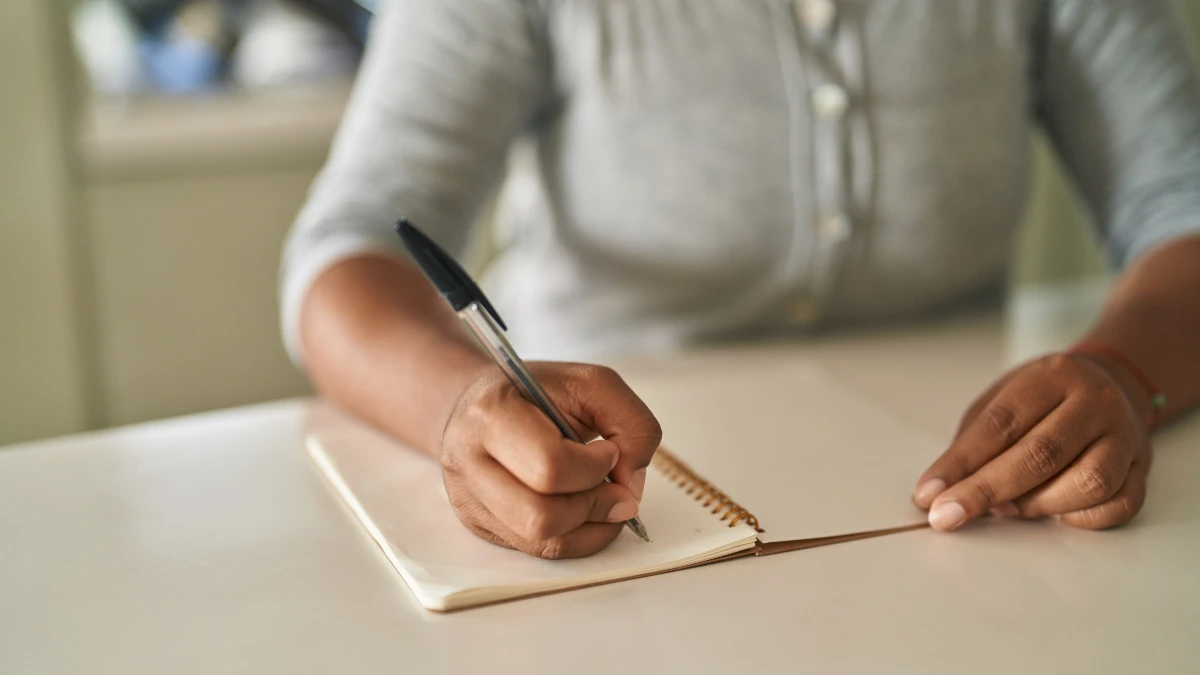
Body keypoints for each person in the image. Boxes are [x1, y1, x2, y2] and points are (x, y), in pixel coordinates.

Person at [280, 0, 1200, 560]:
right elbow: (350, 250)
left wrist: (1123, 368)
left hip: (973, 532)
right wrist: (456, 406)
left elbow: (1182, 201)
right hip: (595, 505)